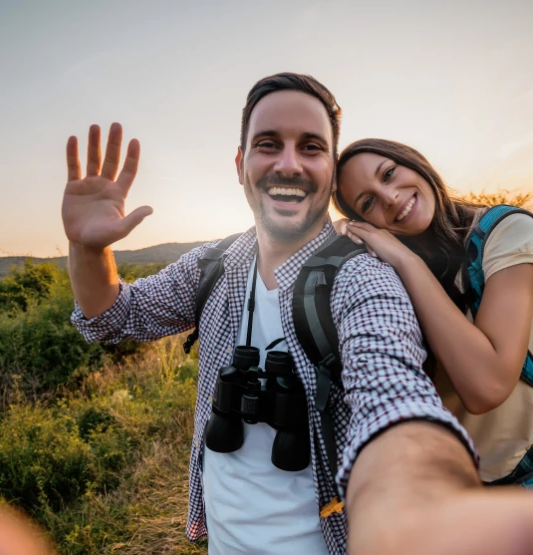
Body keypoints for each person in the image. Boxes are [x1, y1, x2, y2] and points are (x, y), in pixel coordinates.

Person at [63, 73, 479, 554]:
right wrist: (86, 249)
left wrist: (417, 482)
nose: (288, 164)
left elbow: (393, 394)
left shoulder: (362, 278)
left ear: (330, 168)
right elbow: (114, 317)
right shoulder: (213, 265)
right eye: (267, 144)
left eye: (310, 147)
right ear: (240, 165)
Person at [333, 138, 533, 486]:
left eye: (388, 173)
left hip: (524, 474)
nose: (390, 198)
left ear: (415, 162)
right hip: (450, 481)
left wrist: (406, 261)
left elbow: (487, 386)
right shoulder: (386, 266)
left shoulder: (506, 231)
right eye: (368, 202)